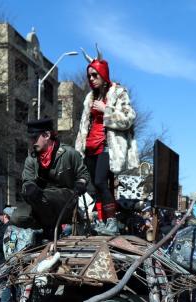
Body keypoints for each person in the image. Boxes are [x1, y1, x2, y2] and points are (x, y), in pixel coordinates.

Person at [75, 45, 138, 235]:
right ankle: (101, 222)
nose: (91, 79)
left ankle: (111, 223)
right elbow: (83, 126)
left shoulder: (118, 92)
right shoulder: (89, 97)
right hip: (90, 147)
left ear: (103, 74)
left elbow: (129, 117)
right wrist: (80, 148)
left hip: (107, 146)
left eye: (95, 75)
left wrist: (106, 110)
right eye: (89, 76)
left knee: (101, 181)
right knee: (93, 185)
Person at [20, 117, 90, 236]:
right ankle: (45, 228)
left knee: (43, 197)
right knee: (18, 217)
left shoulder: (69, 153)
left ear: (47, 135)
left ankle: (50, 230)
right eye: (30, 138)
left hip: (66, 198)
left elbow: (83, 174)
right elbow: (27, 180)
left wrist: (81, 183)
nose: (32, 142)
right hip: (40, 197)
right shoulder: (31, 159)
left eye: (35, 138)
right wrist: (29, 187)